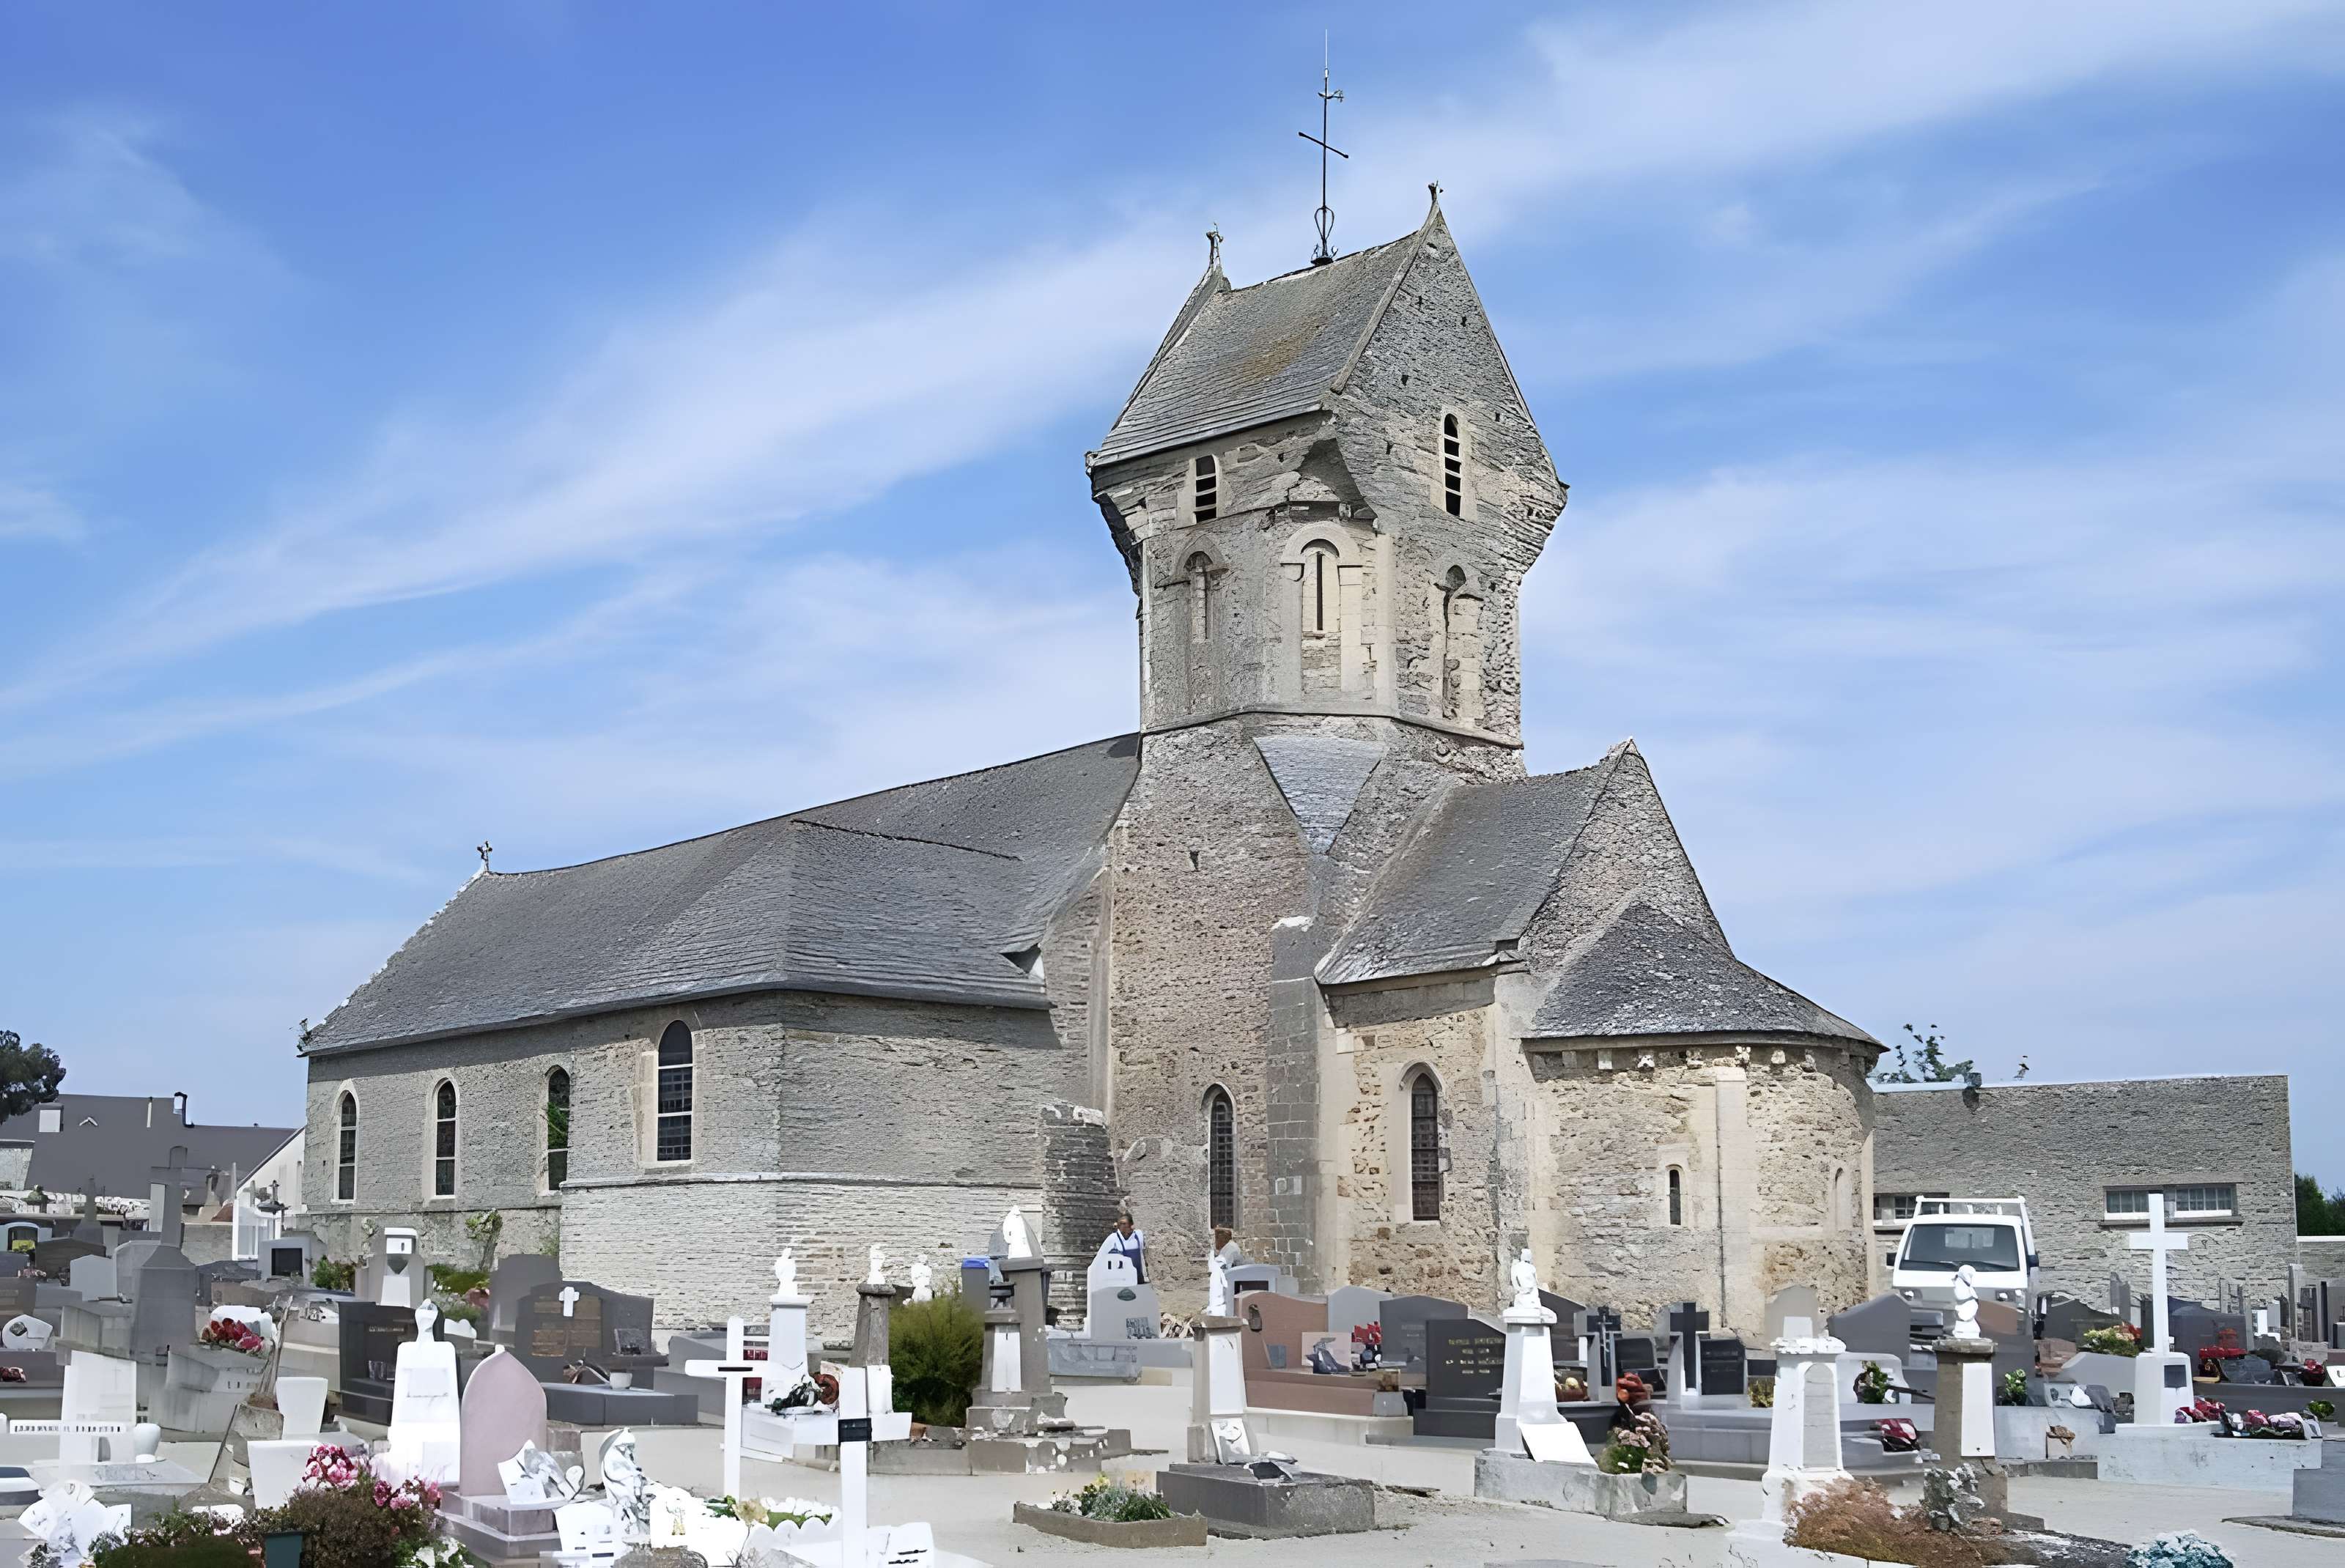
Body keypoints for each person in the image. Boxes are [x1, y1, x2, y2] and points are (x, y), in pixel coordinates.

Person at [1102, 1210, 1146, 1284]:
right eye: (1121, 1224)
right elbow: (1102, 1257)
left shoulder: (1139, 1235)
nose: (1123, 1226)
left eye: (1125, 1224)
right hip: (1121, 1280)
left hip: (1138, 1279)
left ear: (1131, 1225)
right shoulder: (1113, 1238)